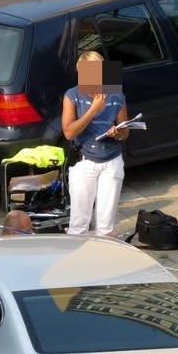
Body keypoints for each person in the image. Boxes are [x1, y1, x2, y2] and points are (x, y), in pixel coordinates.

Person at [62, 51, 129, 236]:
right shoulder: (72, 95)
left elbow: (125, 133)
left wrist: (117, 134)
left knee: (106, 226)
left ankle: (102, 259)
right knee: (79, 223)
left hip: (112, 160)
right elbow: (69, 132)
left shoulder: (115, 93)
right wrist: (93, 110)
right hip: (85, 161)